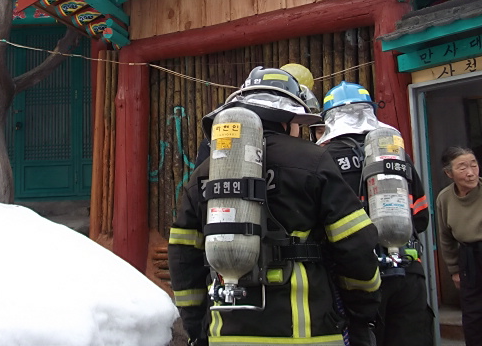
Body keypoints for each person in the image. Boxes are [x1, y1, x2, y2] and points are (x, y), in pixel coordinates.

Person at [168, 67, 381, 346]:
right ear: (287, 119)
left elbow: (183, 255)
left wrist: (197, 328)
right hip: (307, 334)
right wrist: (362, 312)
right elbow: (355, 245)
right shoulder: (314, 161)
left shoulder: (205, 173)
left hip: (227, 334)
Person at [318, 81, 432, 346]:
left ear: (329, 118)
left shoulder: (324, 158)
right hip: (407, 270)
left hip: (356, 279)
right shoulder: (395, 154)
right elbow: (421, 215)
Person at [436, 146, 482, 346]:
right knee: (472, 314)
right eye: (462, 168)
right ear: (449, 173)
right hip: (468, 257)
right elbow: (445, 237)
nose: (470, 172)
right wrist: (454, 269)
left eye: (474, 165)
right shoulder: (444, 198)